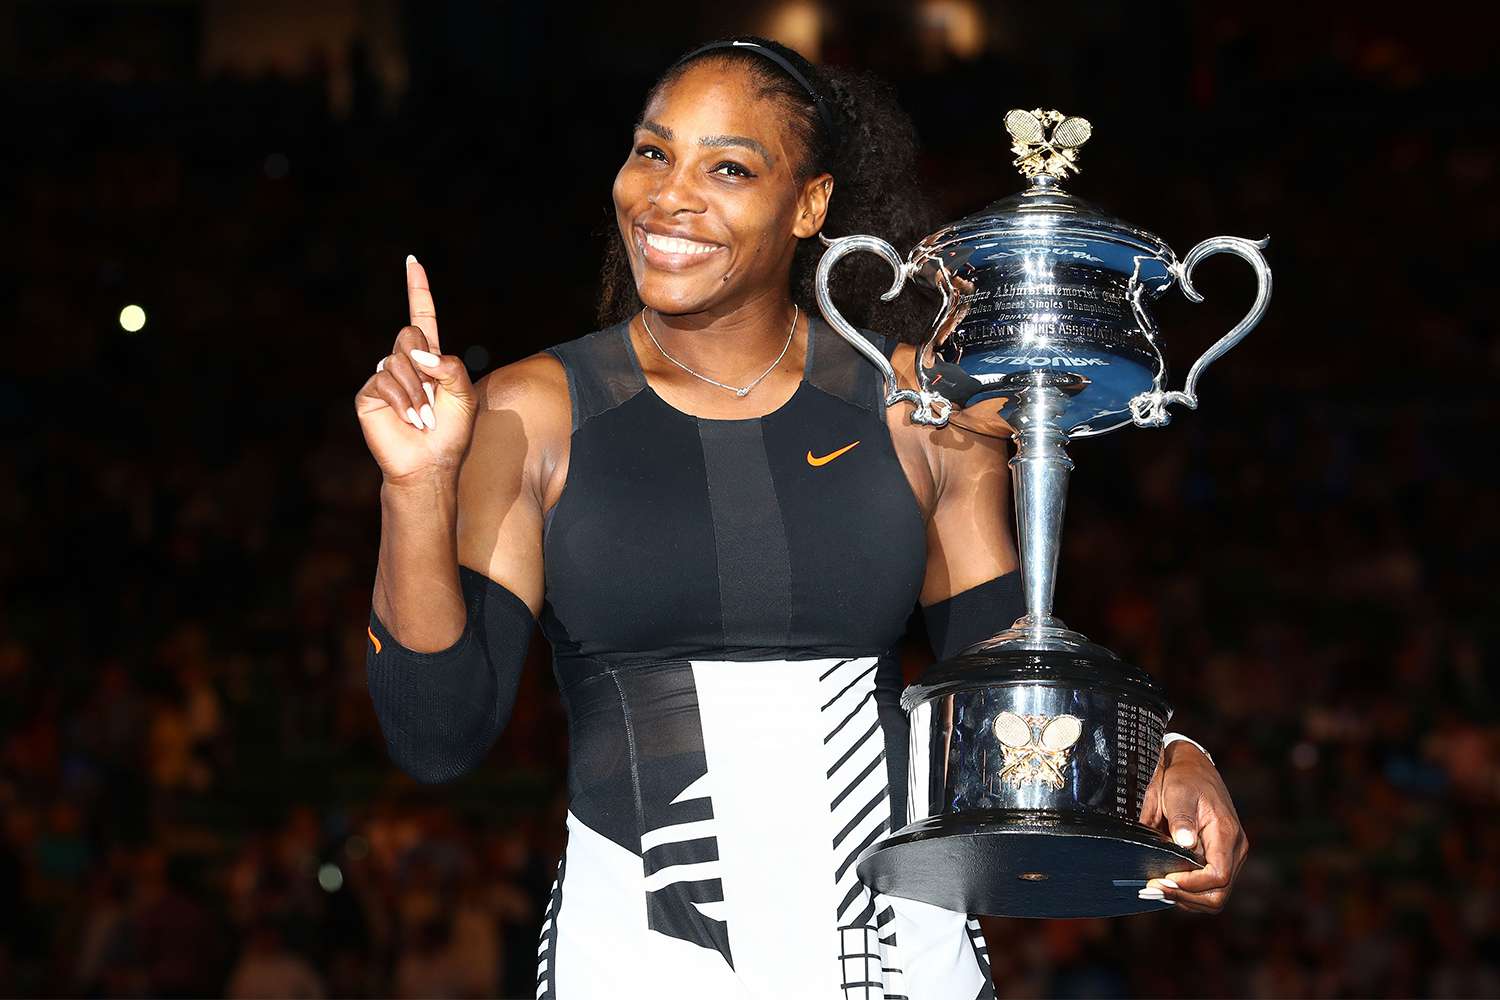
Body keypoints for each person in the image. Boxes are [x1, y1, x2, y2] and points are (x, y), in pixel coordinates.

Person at [354, 36, 1249, 998]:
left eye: (728, 167)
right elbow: (437, 737)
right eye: (652, 152)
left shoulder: (918, 408)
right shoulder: (531, 414)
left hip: (901, 960)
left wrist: (1169, 757)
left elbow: (1004, 668)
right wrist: (415, 487)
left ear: (810, 205)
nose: (669, 196)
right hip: (643, 964)